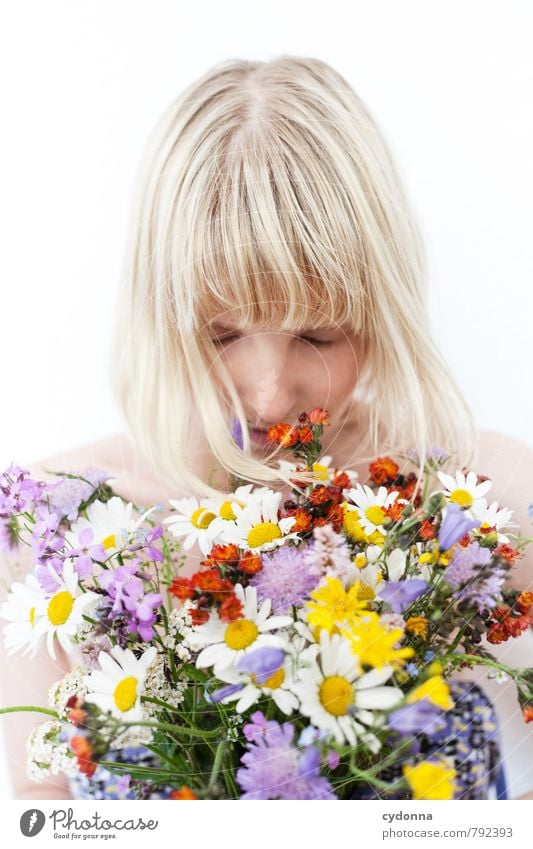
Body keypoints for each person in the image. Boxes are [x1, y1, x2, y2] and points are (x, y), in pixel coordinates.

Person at [1, 55, 533, 800]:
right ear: (155, 316)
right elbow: (43, 815)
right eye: (219, 335)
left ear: (384, 314)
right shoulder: (58, 537)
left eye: (318, 335)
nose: (270, 394)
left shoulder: (485, 509)